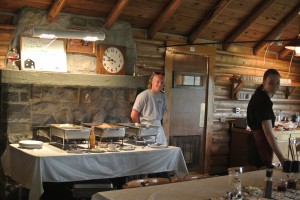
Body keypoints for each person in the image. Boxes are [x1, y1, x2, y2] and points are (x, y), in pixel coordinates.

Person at [247, 68, 288, 168]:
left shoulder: (258, 95)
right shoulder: (263, 101)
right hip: (260, 148)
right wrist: (282, 159)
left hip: (255, 146)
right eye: (271, 83)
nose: (275, 86)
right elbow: (268, 133)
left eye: (277, 83)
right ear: (264, 82)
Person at [131, 71, 167, 145]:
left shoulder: (163, 97)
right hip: (146, 128)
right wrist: (140, 129)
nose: (159, 84)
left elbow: (162, 112)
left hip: (159, 128)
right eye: (157, 81)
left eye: (162, 82)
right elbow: (133, 114)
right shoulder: (143, 96)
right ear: (152, 82)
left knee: (163, 151)